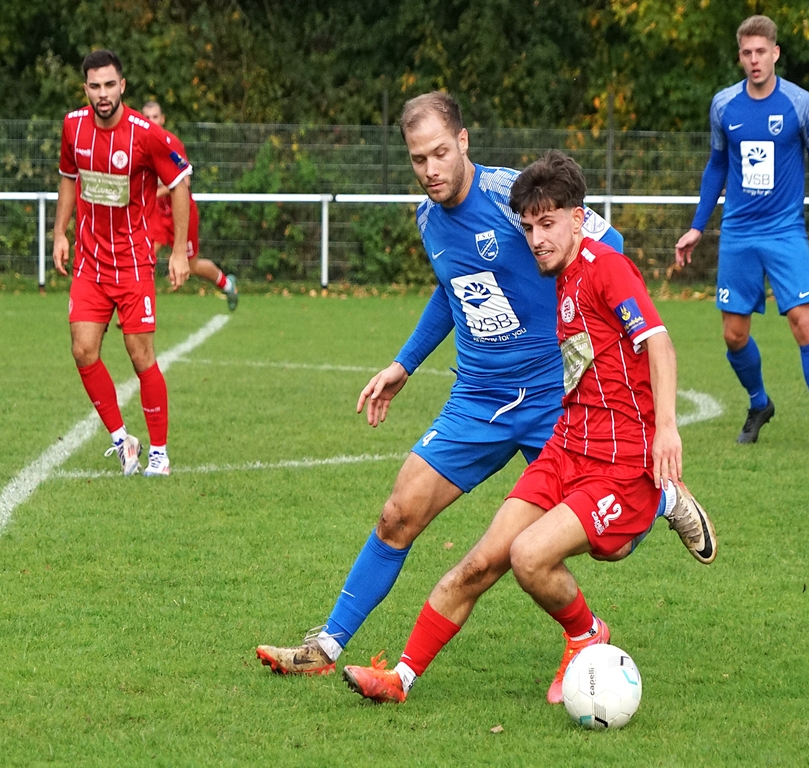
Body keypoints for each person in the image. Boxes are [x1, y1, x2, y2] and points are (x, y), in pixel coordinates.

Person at [255, 92, 634, 676]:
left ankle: (657, 502)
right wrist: (403, 365)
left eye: (439, 153)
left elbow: (613, 247)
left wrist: (590, 327)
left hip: (553, 399)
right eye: (417, 159)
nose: (430, 170)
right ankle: (325, 648)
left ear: (463, 141)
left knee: (614, 545)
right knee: (397, 514)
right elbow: (452, 286)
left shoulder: (511, 196)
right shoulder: (428, 217)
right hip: (478, 399)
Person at [341, 150, 717, 706]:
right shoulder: (558, 278)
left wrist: (667, 430)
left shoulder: (606, 268)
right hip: (567, 446)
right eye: (529, 228)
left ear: (578, 219)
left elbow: (657, 342)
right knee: (481, 560)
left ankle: (593, 621)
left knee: (534, 556)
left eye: (548, 224)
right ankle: (401, 678)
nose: (537, 239)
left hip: (619, 460)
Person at [674, 14, 809, 452]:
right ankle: (759, 403)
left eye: (761, 52)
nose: (754, 60)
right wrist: (697, 227)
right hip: (738, 232)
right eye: (747, 53)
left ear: (775, 53)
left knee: (803, 323)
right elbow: (716, 166)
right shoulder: (724, 105)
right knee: (733, 335)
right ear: (740, 57)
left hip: (785, 231)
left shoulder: (799, 103)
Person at [53, 49, 192, 477]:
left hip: (133, 263)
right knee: (83, 350)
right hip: (90, 262)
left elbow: (180, 182)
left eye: (110, 85)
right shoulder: (73, 127)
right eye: (95, 86)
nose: (103, 94)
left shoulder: (146, 135)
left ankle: (159, 453)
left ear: (122, 86)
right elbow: (69, 178)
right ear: (85, 89)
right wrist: (59, 233)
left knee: (140, 354)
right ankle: (123, 440)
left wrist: (179, 250)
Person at [139, 100, 239, 311]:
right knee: (143, 256)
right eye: (146, 118)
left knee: (191, 265)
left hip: (181, 213)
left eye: (155, 117)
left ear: (162, 119)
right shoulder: (138, 144)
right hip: (158, 213)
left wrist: (155, 193)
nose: (151, 121)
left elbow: (184, 182)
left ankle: (227, 285)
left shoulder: (171, 144)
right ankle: (136, 307)